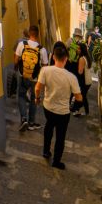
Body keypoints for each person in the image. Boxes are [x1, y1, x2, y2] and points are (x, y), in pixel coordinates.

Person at [35, 41, 82, 169]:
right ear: (66, 59)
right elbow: (79, 97)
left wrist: (37, 98)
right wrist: (74, 104)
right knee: (60, 136)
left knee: (48, 127)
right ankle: (56, 161)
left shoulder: (45, 70)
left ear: (53, 57)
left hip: (48, 107)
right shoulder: (71, 77)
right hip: (63, 112)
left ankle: (45, 151)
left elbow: (37, 87)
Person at [13, 26, 47, 131]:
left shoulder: (21, 44)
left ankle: (24, 119)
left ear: (29, 34)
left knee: (21, 96)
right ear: (37, 35)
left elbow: (16, 59)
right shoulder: (42, 49)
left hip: (22, 75)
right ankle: (31, 123)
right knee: (34, 99)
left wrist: (17, 68)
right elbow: (45, 66)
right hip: (35, 78)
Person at [73, 42, 91, 116]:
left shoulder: (81, 59)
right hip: (88, 81)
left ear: (82, 50)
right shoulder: (87, 57)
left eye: (78, 48)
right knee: (83, 96)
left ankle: (76, 110)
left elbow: (80, 72)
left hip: (83, 81)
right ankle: (86, 112)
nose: (77, 50)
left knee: (80, 96)